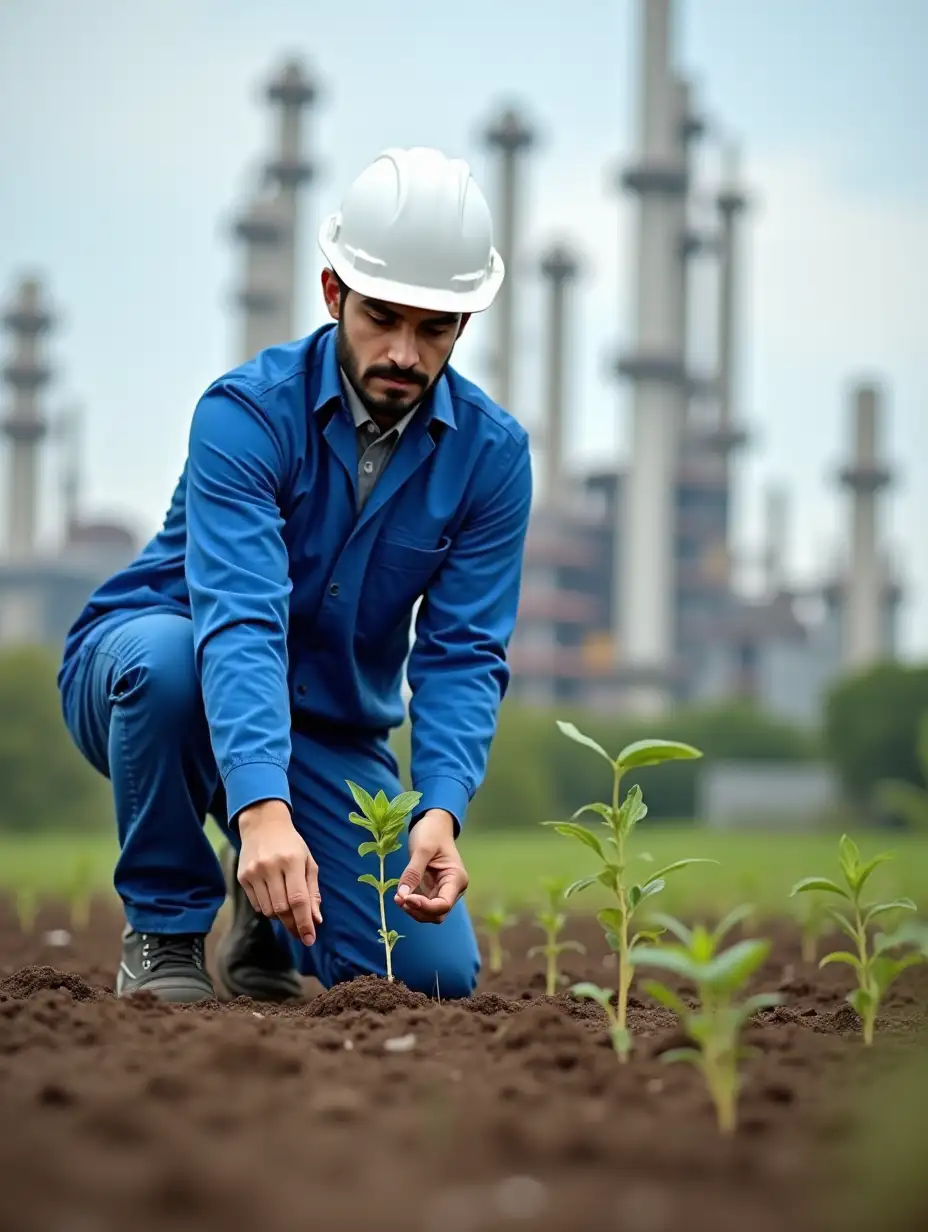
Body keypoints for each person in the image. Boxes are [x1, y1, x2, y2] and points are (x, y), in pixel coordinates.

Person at [56, 146, 533, 1005]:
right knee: (169, 666)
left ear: (464, 323)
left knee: (426, 977)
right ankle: (164, 931)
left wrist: (439, 810)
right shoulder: (244, 415)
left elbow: (463, 653)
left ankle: (264, 918)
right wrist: (263, 811)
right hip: (165, 670)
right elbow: (239, 620)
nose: (405, 352)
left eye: (435, 328)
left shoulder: (493, 459)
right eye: (382, 316)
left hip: (326, 726)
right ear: (331, 294)